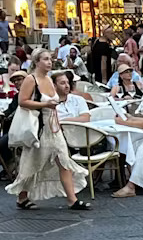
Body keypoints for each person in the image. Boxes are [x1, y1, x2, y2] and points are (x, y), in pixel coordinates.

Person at [7, 48, 90, 211]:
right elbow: (22, 101)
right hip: (39, 128)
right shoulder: (31, 80)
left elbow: (54, 106)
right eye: (45, 59)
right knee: (33, 163)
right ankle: (22, 196)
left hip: (53, 127)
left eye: (50, 59)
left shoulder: (49, 80)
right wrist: (44, 104)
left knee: (63, 160)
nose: (49, 62)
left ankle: (72, 199)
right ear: (37, 62)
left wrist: (57, 122)